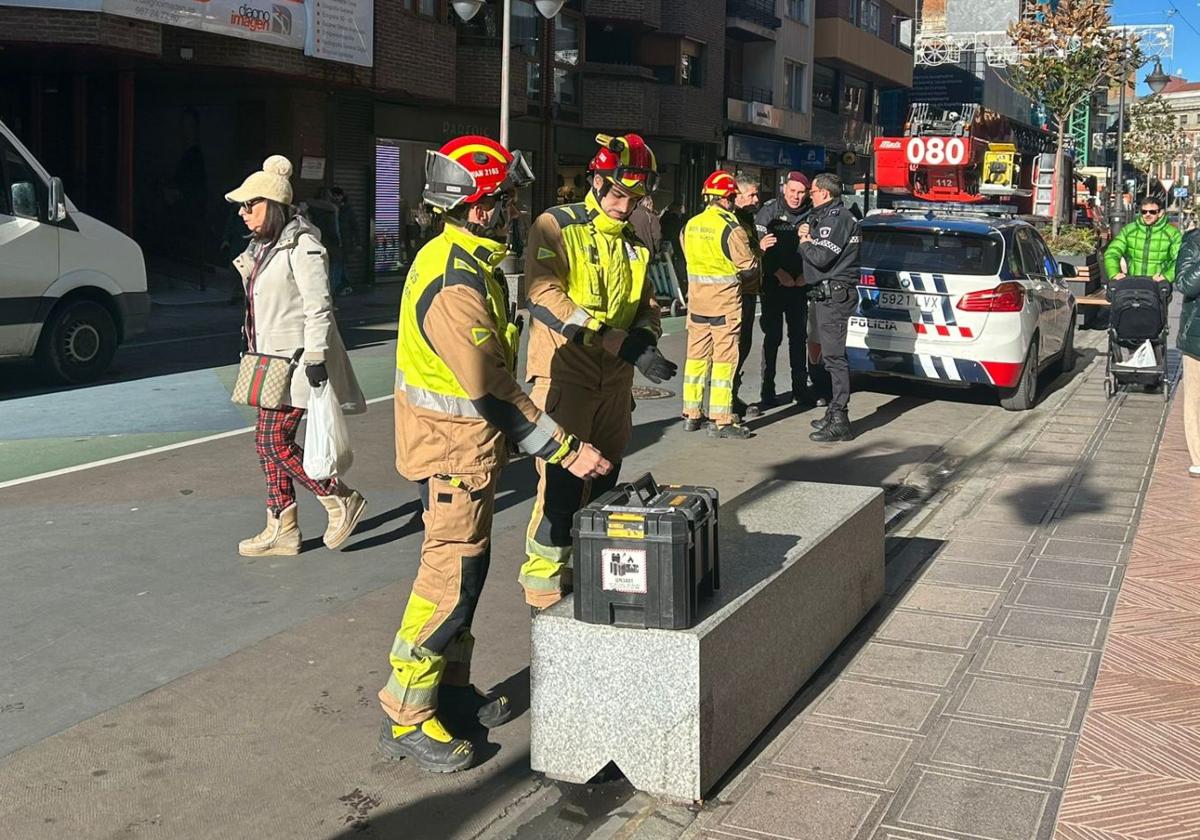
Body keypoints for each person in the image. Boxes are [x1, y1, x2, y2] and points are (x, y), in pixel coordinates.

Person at [377, 136, 611, 772]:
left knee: (468, 576)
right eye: (503, 198)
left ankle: (450, 689)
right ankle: (406, 715)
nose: (511, 209)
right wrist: (566, 450)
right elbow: (492, 388)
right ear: (477, 207)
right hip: (451, 452)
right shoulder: (455, 280)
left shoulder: (469, 262)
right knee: (447, 583)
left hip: (467, 453)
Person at [519, 132, 678, 609]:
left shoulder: (633, 240)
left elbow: (647, 303)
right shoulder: (556, 225)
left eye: (633, 197)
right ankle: (542, 583)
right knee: (561, 488)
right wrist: (618, 342)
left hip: (615, 385)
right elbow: (545, 297)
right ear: (596, 180)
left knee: (604, 481)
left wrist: (647, 336)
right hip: (565, 376)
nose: (623, 205)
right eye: (616, 193)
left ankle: (586, 568)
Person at [224, 155, 369, 557]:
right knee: (265, 441)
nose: (242, 212)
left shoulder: (303, 245)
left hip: (298, 360)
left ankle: (338, 496)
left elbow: (318, 305)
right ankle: (282, 525)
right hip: (268, 360)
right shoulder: (263, 247)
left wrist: (317, 355)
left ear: (270, 204)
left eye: (249, 204)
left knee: (273, 439)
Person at [680, 171, 758, 438]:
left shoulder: (690, 225)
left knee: (696, 358)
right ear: (727, 199)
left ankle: (691, 414)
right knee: (725, 361)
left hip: (697, 304)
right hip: (724, 304)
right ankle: (722, 419)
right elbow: (748, 266)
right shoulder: (732, 227)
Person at [799, 173, 861, 443]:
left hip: (835, 295)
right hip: (829, 294)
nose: (809, 196)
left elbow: (821, 257)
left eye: (811, 192)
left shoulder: (837, 219)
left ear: (824, 193)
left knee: (835, 358)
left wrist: (804, 241)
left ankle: (840, 419)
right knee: (829, 355)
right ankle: (833, 411)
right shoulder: (829, 217)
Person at [754, 171, 814, 415]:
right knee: (773, 338)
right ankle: (767, 391)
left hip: (800, 286)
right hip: (774, 285)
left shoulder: (813, 213)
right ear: (783, 189)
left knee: (798, 338)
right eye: (792, 192)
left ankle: (800, 388)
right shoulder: (768, 212)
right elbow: (759, 250)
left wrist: (804, 277)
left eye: (801, 193)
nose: (796, 197)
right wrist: (778, 273)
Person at [731, 174, 775, 416]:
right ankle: (725, 401)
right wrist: (761, 249)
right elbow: (742, 259)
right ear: (737, 195)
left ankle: (732, 395)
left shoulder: (746, 219)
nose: (757, 199)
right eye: (752, 194)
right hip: (735, 294)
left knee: (743, 346)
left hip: (748, 292)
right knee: (733, 348)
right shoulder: (732, 222)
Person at [1105, 195, 1182, 282]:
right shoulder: (1129, 230)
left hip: (1158, 285)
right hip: (1133, 283)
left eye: (1152, 212)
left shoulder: (1172, 234)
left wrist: (1167, 277)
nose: (1147, 214)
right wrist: (1114, 273)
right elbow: (1112, 252)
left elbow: (1180, 259)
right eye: (1144, 211)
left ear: (1161, 213)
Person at [330, 186, 362, 293]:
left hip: (345, 242)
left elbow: (355, 227)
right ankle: (343, 285)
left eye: (337, 195)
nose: (335, 198)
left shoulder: (347, 210)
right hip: (335, 242)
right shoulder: (330, 209)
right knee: (339, 265)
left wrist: (358, 242)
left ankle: (342, 286)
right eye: (333, 195)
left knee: (341, 264)